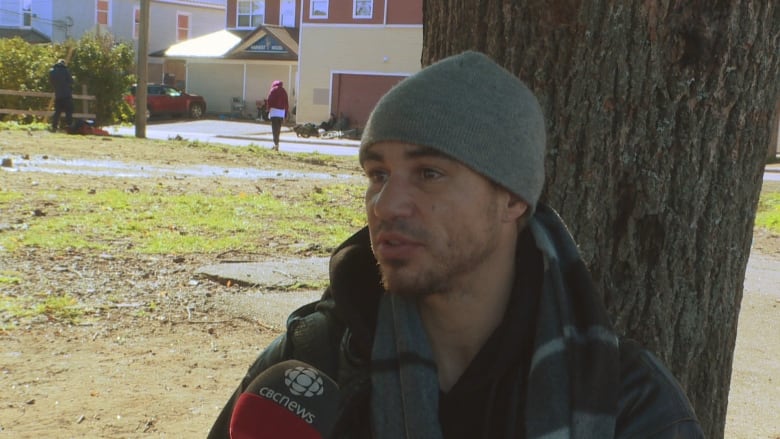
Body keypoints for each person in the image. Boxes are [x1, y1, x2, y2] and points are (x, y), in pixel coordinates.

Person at [208, 51, 704, 438]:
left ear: (512, 199)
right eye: (377, 173)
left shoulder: (626, 401)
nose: (385, 205)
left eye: (429, 173)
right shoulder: (312, 368)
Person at [49, 59, 74, 132]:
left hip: (58, 95)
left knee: (57, 112)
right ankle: (69, 127)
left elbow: (51, 82)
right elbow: (71, 81)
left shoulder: (52, 72)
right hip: (66, 95)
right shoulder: (66, 71)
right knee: (69, 111)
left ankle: (54, 127)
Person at [266, 80, 289, 151]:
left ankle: (276, 144)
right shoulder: (284, 91)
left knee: (274, 129)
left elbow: (269, 100)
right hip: (281, 112)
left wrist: (268, 108)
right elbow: (286, 103)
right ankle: (277, 144)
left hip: (274, 112)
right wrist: (285, 114)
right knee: (278, 129)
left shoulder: (273, 90)